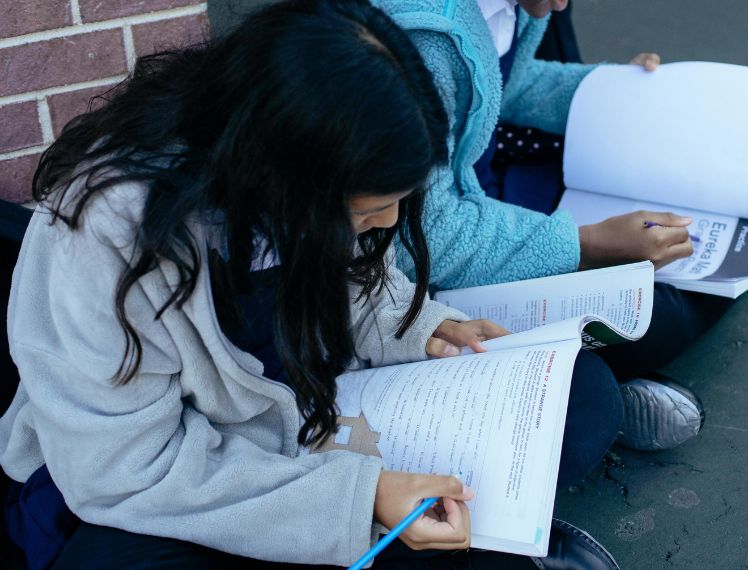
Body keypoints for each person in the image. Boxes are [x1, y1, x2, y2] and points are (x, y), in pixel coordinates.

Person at [0, 1, 620, 568]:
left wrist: (419, 325)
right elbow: (127, 470)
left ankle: (469, 537)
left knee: (582, 397)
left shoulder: (303, 167)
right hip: (169, 479)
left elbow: (359, 287)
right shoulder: (104, 232)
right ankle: (490, 540)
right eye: (366, 210)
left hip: (310, 410)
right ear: (282, 177)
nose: (389, 225)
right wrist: (357, 501)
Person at [370, 0, 748, 450]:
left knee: (654, 182)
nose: (561, 5)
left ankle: (739, 244)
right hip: (438, 254)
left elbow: (505, 85)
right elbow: (419, 237)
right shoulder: (423, 39)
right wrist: (587, 245)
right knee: (649, 313)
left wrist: (607, 92)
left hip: (486, 183)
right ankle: (747, 250)